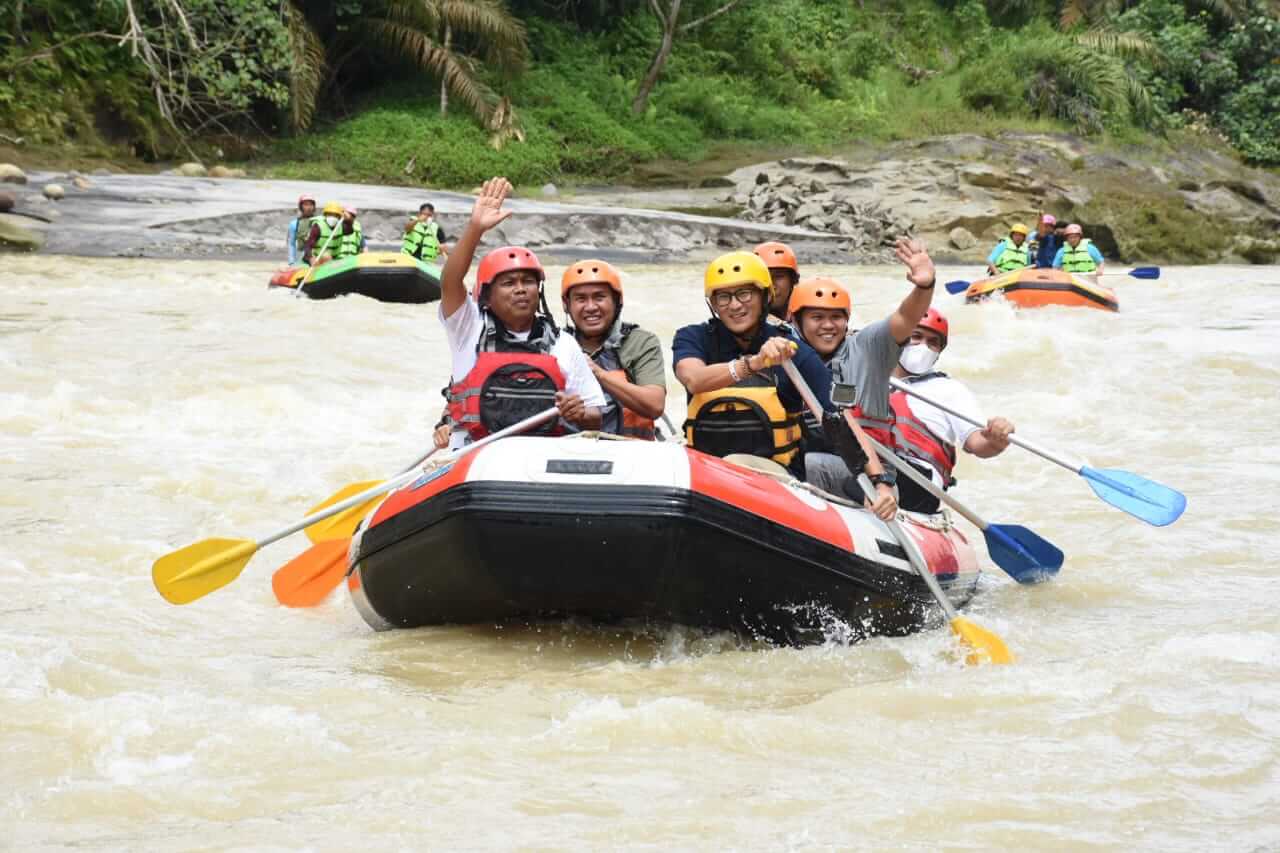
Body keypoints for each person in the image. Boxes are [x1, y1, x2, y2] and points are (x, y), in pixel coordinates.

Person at [439, 177, 605, 448]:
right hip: (473, 454)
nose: (520, 289)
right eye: (508, 283)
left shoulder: (562, 343)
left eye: (527, 282)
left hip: (540, 456)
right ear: (487, 297)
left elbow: (595, 415)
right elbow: (449, 282)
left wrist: (580, 413)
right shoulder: (468, 327)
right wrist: (475, 229)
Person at [788, 238, 938, 515]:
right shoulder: (786, 357)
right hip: (815, 467)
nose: (828, 326)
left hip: (874, 477)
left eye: (836, 317)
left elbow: (905, 318)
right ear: (796, 322)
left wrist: (924, 285)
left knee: (802, 465)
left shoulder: (867, 348)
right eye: (817, 317)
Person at [672, 250, 832, 475]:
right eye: (723, 297)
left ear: (766, 297)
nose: (735, 305)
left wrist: (878, 479)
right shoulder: (693, 337)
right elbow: (693, 379)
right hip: (706, 475)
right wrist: (754, 363)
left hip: (779, 477)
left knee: (736, 464)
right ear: (714, 305)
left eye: (745, 294)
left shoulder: (790, 348)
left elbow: (837, 420)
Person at [888, 309, 1015, 513]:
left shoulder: (949, 390)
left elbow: (977, 443)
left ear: (939, 351)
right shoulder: (869, 377)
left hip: (917, 482)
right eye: (916, 337)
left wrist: (996, 440)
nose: (923, 346)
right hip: (872, 467)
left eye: (932, 342)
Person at [561, 259, 667, 439]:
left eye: (599, 297)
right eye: (580, 299)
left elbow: (654, 405)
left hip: (630, 453)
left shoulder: (640, 342)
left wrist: (598, 373)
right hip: (567, 450)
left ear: (617, 301)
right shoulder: (555, 343)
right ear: (567, 305)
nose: (591, 307)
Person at [753, 241, 800, 322]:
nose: (771, 285)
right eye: (763, 277)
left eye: (778, 276)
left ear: (793, 281)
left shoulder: (805, 316)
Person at [301, 201, 345, 265]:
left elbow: (350, 229)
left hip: (334, 259)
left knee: (328, 256)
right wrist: (311, 258)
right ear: (325, 215)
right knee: (326, 256)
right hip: (317, 258)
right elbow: (308, 246)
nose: (332, 217)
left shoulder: (341, 226)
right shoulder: (318, 227)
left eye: (335, 215)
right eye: (330, 214)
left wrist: (348, 217)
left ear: (339, 217)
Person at [287, 194, 315, 266]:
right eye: (306, 205)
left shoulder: (319, 222)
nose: (309, 208)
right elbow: (291, 244)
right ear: (301, 207)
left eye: (311, 205)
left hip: (316, 255)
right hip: (302, 257)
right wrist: (291, 261)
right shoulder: (294, 224)